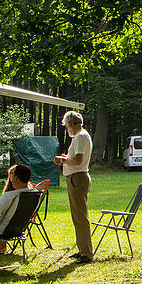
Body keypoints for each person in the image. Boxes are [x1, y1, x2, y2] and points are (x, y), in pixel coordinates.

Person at [54, 110, 93, 263]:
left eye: (66, 126)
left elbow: (77, 161)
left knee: (80, 216)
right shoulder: (81, 136)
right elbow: (76, 159)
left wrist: (62, 160)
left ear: (70, 124)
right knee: (77, 216)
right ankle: (83, 249)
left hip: (77, 178)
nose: (66, 129)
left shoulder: (80, 137)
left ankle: (86, 253)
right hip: (76, 177)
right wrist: (66, 159)